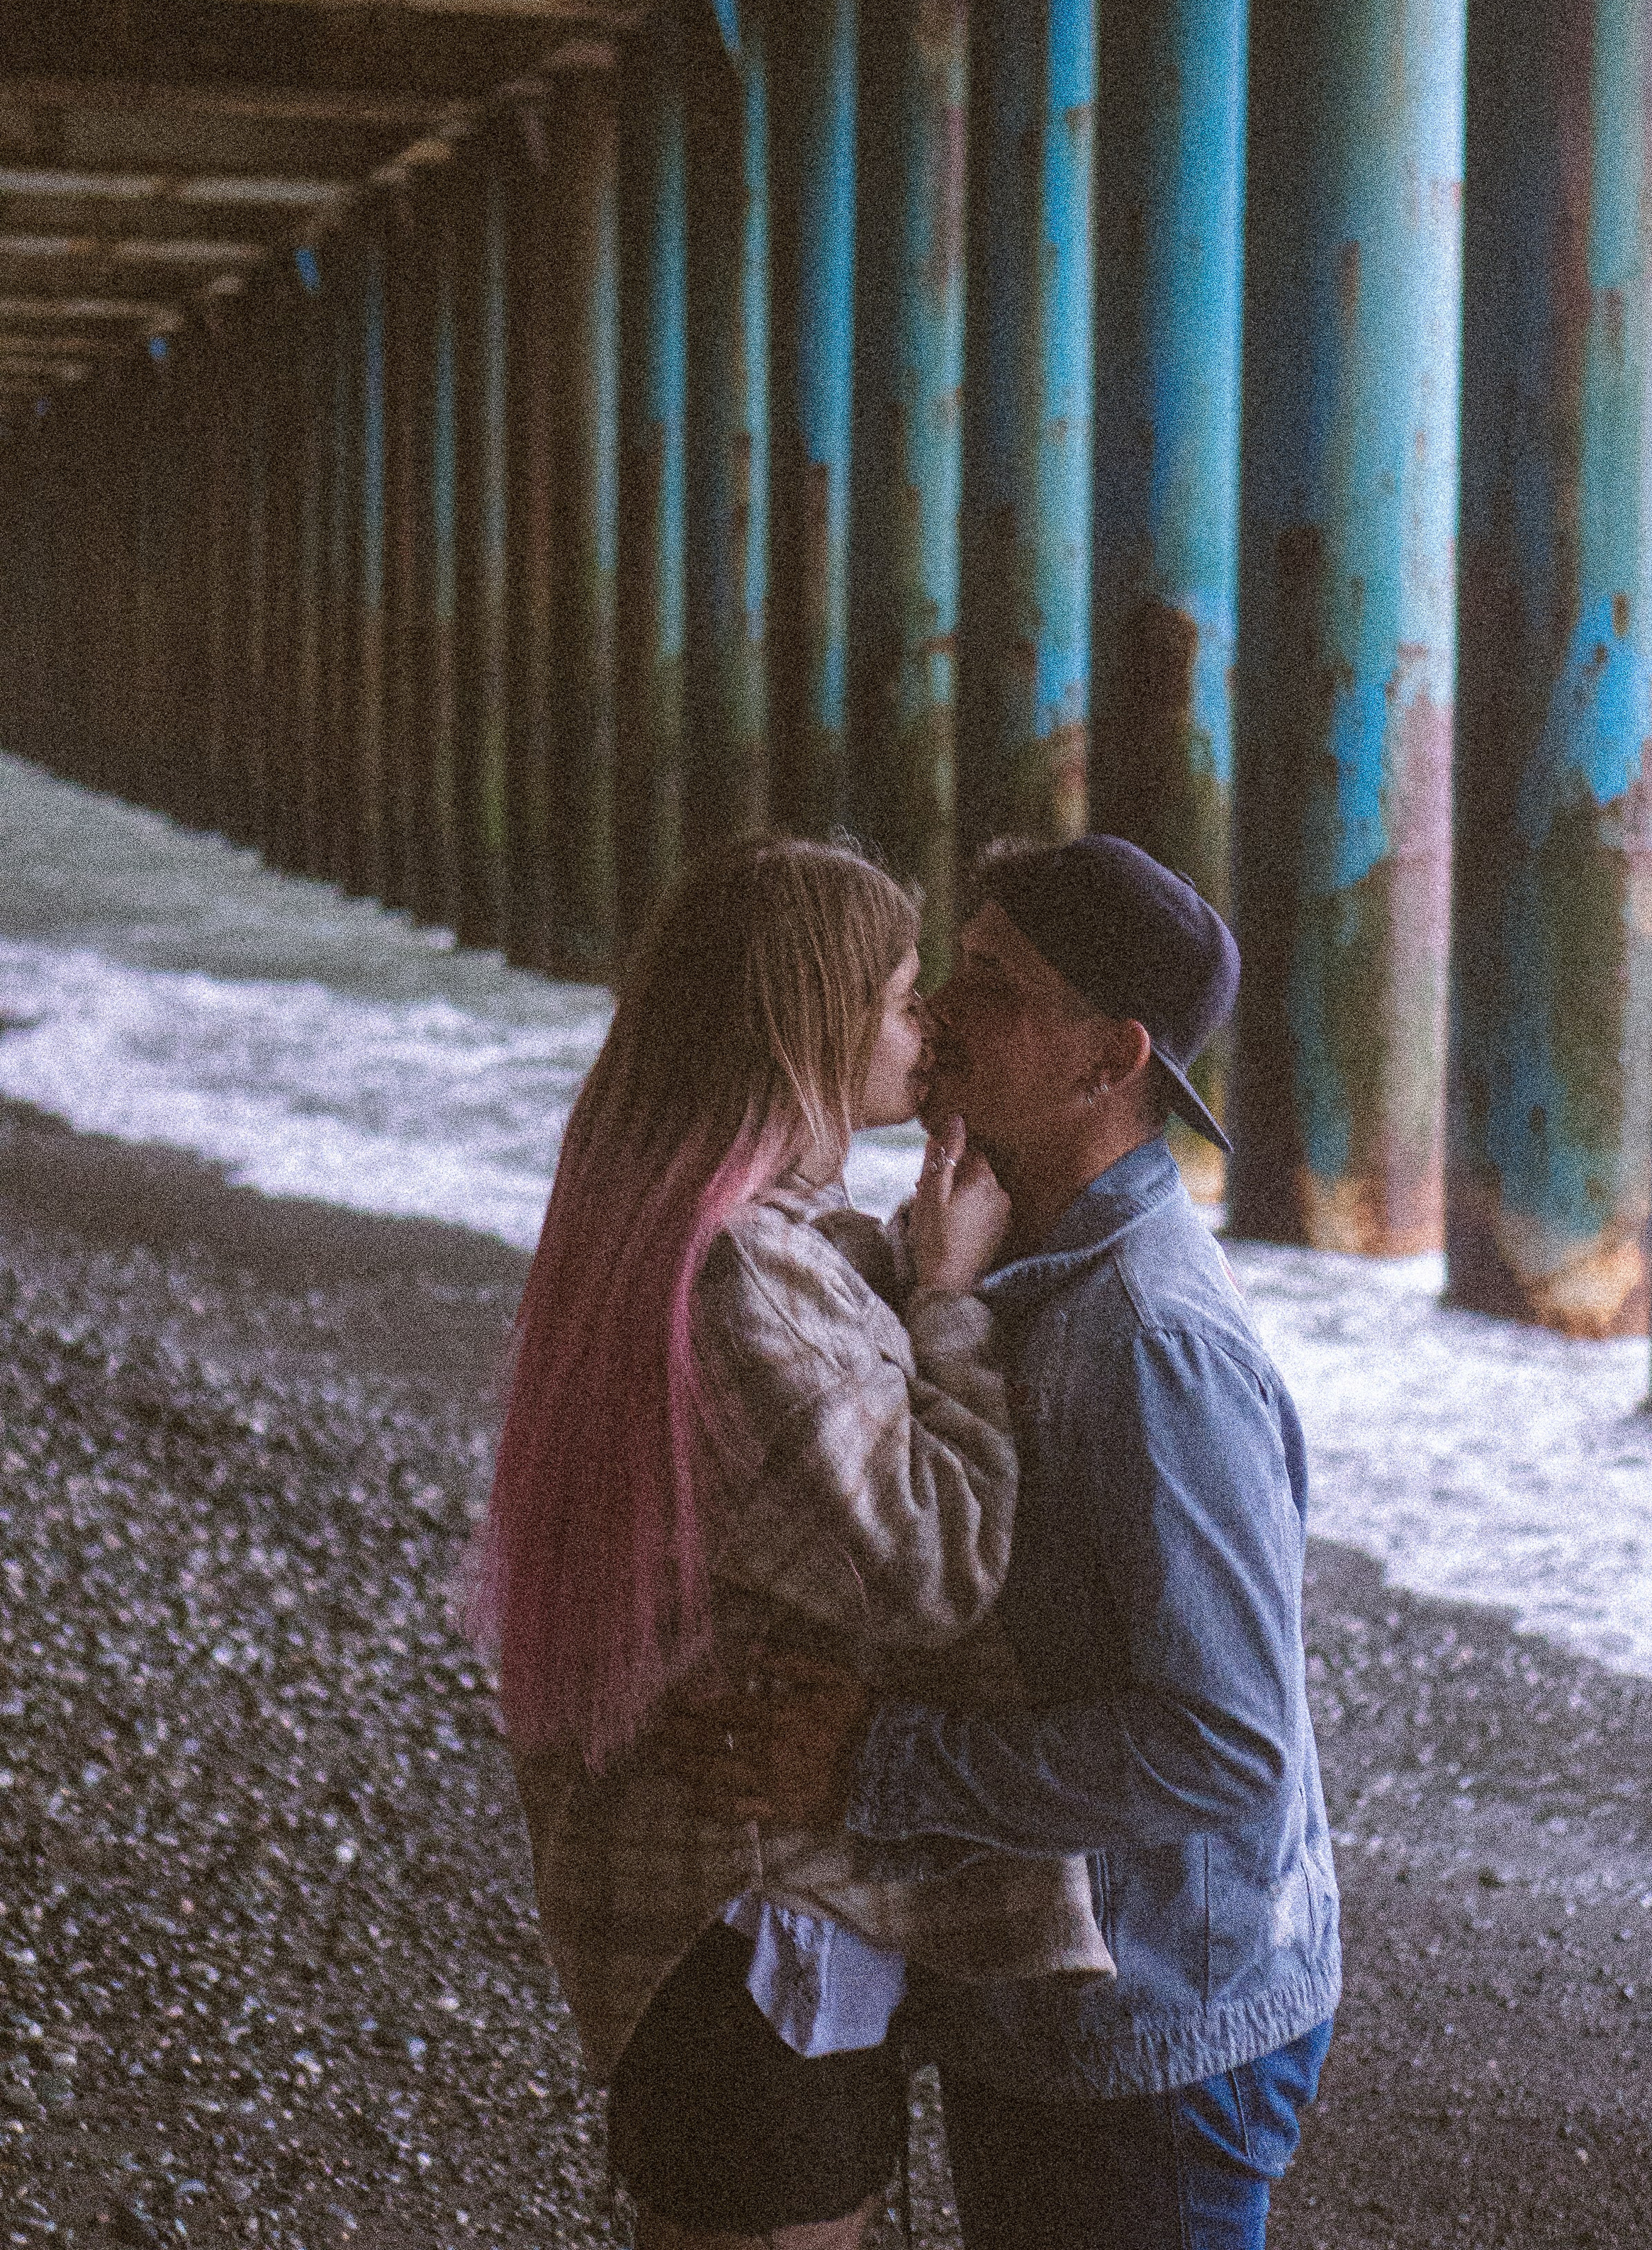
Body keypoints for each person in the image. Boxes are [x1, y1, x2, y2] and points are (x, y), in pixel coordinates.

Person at [668, 835, 1342, 2250]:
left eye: (989, 982)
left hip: (1159, 2026)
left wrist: (868, 1767)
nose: (938, 1014)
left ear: (1108, 1063)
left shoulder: (1148, 1337)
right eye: (951, 969)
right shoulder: (997, 1272)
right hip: (1050, 2006)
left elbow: (1228, 1746)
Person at [466, 836, 1111, 2250]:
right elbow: (931, 1569)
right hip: (750, 1922)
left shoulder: (709, 1231)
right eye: (893, 996)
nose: (926, 1022)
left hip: (724, 1912)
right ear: (807, 1025)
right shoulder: (742, 1270)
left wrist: (909, 1260)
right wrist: (948, 1299)